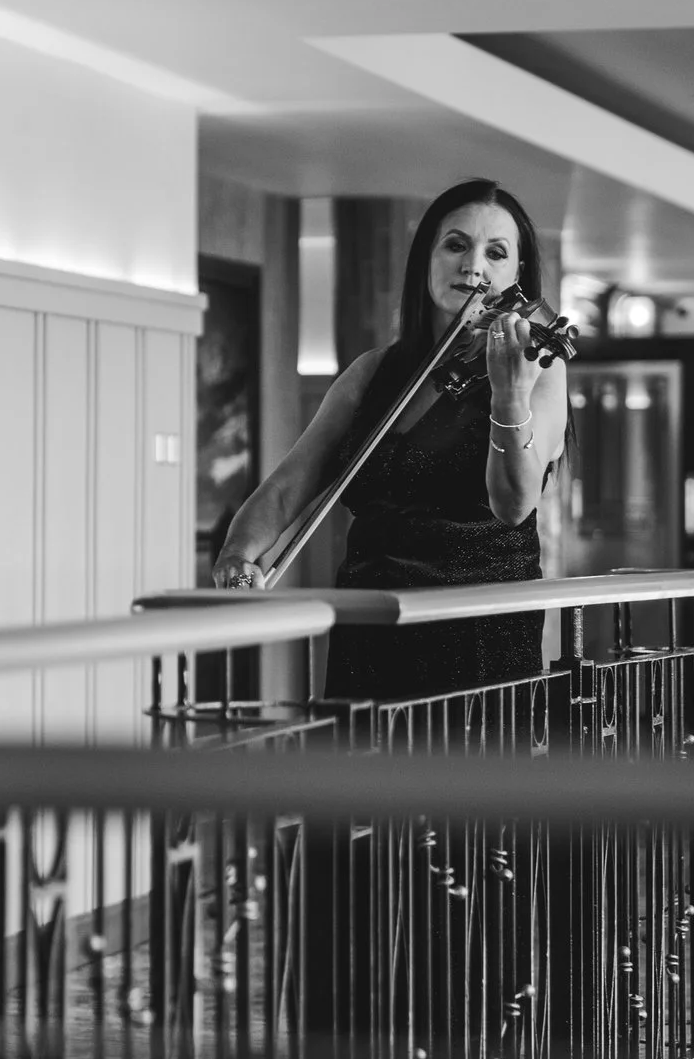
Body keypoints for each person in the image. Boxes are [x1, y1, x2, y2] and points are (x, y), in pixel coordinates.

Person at [211, 180, 570, 699]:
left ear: (517, 274)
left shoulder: (539, 368)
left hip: (476, 632)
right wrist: (238, 554)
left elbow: (514, 504)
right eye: (456, 245)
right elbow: (291, 483)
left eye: (496, 253)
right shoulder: (372, 372)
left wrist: (510, 395)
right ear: (426, 260)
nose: (474, 266)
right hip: (370, 623)